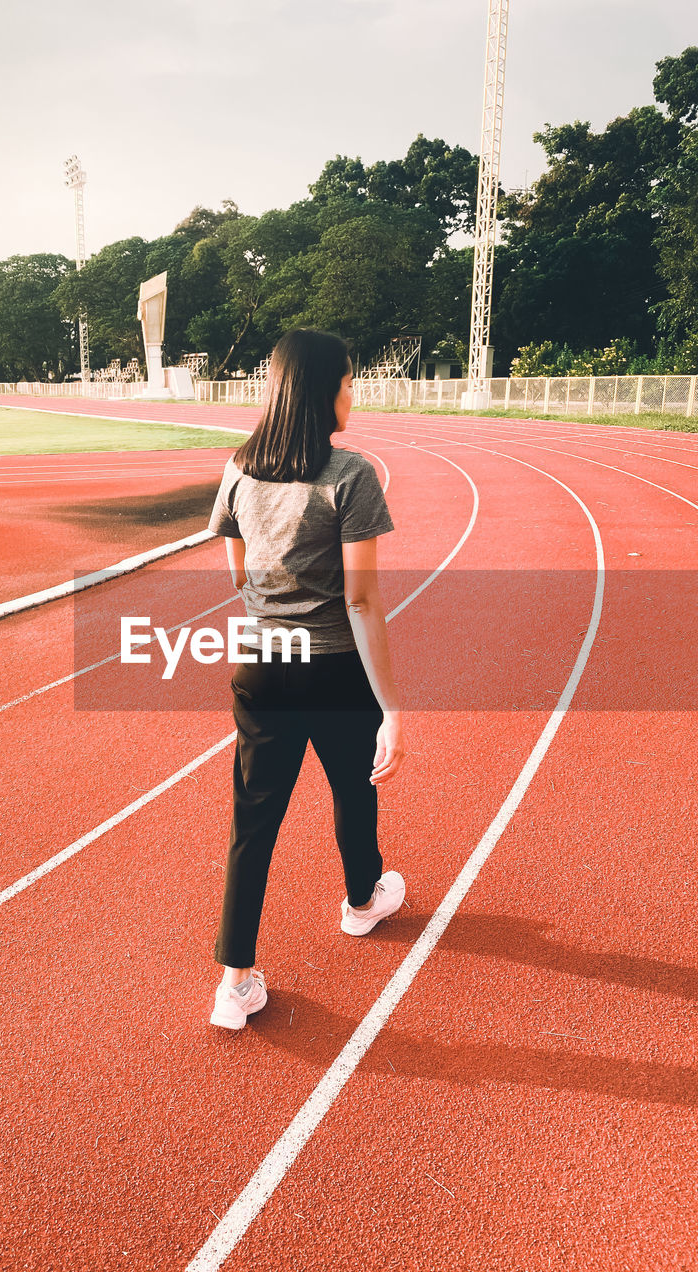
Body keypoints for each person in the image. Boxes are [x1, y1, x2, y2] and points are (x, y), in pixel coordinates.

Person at [207, 328, 406, 1031]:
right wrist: (392, 707)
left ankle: (235, 982)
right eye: (350, 382)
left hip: (261, 667)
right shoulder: (350, 476)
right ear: (323, 391)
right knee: (355, 790)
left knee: (252, 823)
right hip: (333, 669)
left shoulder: (237, 469)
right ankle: (361, 903)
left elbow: (236, 574)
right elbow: (360, 601)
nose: (356, 394)